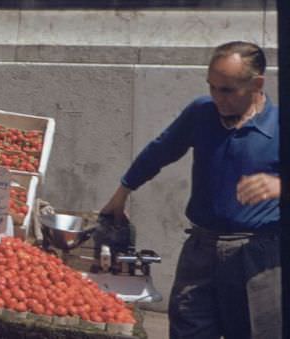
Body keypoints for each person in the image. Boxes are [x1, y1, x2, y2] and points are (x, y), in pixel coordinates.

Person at [100, 41, 280, 339]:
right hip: (201, 251)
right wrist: (122, 192)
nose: (217, 98)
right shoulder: (201, 112)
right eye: (212, 87)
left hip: (258, 258)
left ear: (257, 83)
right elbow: (160, 151)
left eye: (227, 90)